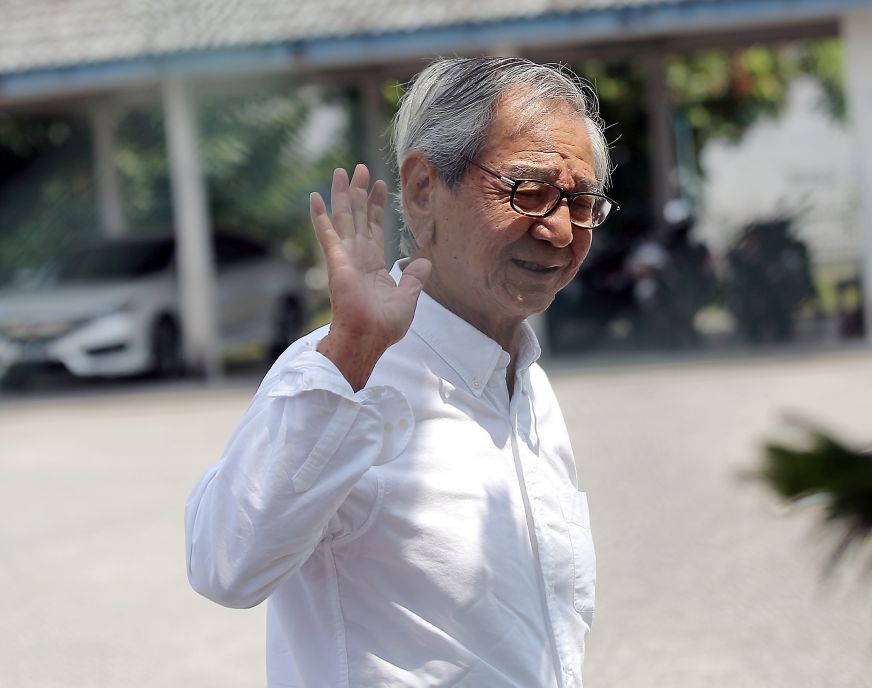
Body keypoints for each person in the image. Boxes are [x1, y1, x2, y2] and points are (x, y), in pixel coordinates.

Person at [184, 56, 619, 688]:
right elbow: (224, 566)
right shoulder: (340, 374)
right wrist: (351, 355)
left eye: (579, 202)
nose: (557, 229)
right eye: (527, 191)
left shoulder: (526, 384)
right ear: (422, 191)